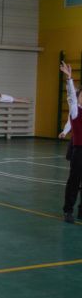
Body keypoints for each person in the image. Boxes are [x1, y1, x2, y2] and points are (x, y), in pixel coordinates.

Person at [60, 61, 82, 223]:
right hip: (79, 151)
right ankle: (68, 210)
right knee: (74, 181)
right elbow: (71, 96)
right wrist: (69, 78)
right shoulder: (75, 110)